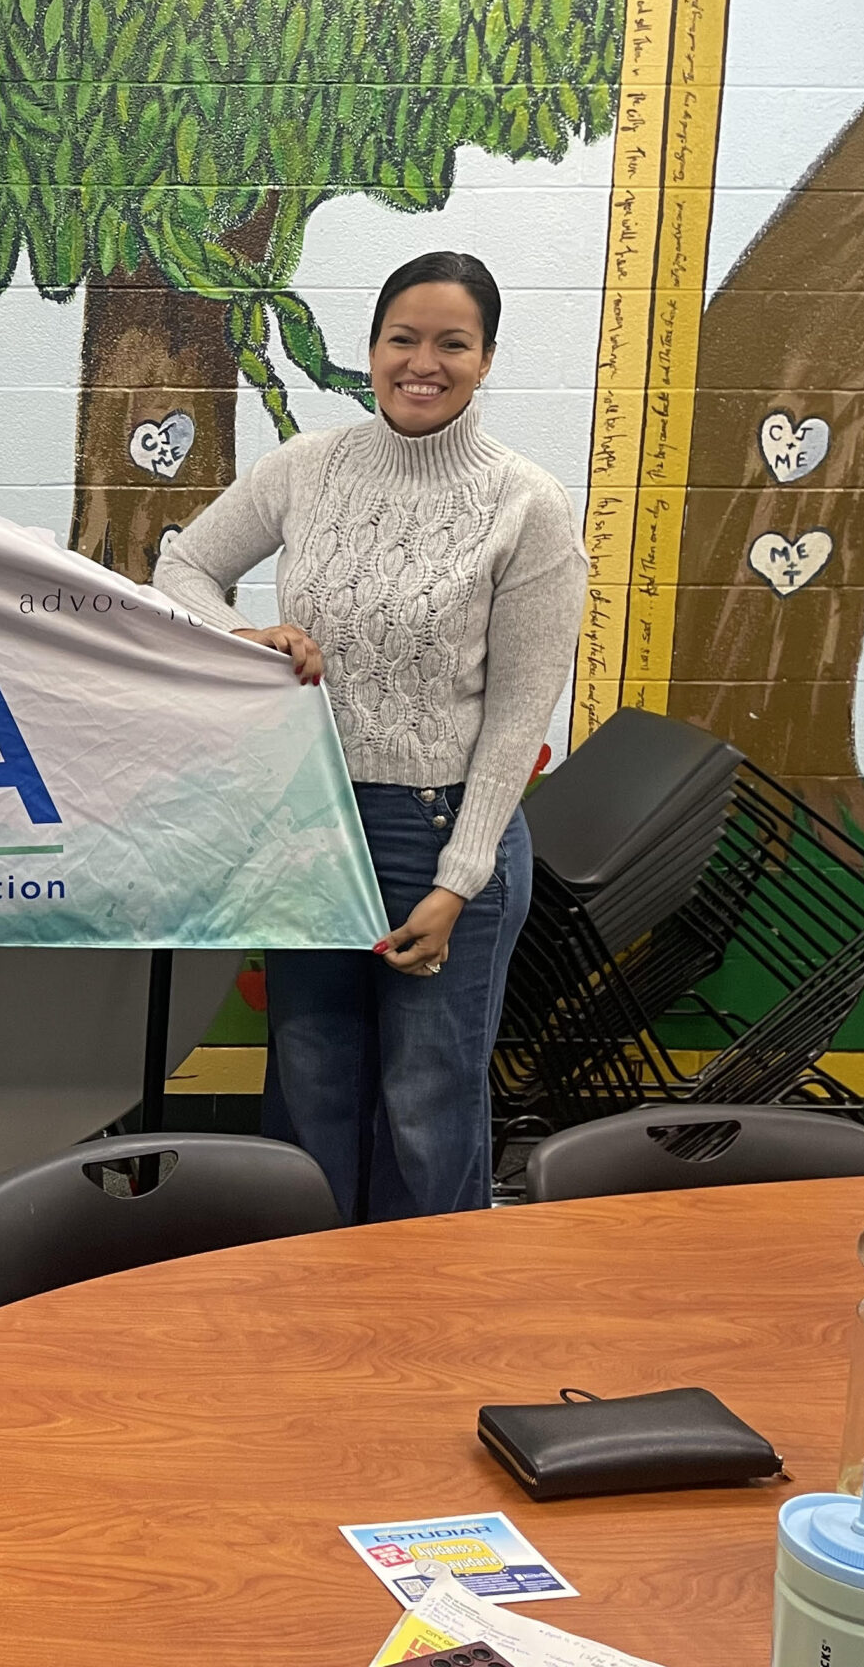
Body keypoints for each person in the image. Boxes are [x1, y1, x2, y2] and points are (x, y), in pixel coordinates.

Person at [149, 251, 586, 1222]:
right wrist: (245, 638)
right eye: (402, 339)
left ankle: (425, 1306)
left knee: (426, 1109)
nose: (422, 363)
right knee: (312, 1087)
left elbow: (518, 717)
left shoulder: (527, 506)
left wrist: (456, 883)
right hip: (310, 826)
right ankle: (312, 1300)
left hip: (438, 837)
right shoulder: (306, 468)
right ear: (374, 346)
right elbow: (181, 570)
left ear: (486, 358)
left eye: (451, 344)